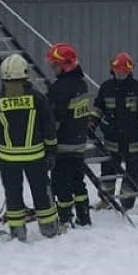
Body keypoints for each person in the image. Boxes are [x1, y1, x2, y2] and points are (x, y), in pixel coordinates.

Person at [0, 54, 59, 241]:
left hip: (9, 160)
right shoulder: (37, 98)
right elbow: (48, 127)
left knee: (13, 196)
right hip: (36, 157)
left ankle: (18, 233)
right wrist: (51, 151)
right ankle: (49, 229)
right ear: (26, 74)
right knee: (41, 193)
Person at [88, 52, 138, 210]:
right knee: (108, 172)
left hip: (134, 141)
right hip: (111, 140)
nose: (121, 73)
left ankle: (126, 203)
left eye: (124, 71)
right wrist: (92, 122)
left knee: (132, 174)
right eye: (118, 70)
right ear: (113, 70)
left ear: (130, 71)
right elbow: (99, 108)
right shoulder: (106, 88)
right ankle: (106, 200)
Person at [46, 42, 93, 228]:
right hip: (78, 142)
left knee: (61, 183)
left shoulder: (60, 88)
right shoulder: (81, 84)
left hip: (62, 143)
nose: (52, 69)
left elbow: (54, 118)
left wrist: (46, 139)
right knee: (78, 182)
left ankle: (65, 218)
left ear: (64, 65)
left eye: (54, 65)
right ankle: (84, 215)